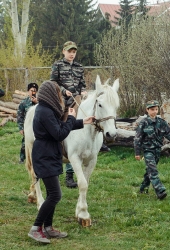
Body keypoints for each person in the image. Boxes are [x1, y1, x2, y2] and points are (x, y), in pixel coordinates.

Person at [28, 80, 94, 244]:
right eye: (57, 93)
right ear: (50, 94)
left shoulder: (48, 110)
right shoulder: (44, 112)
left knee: (52, 194)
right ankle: (36, 229)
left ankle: (48, 228)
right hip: (45, 156)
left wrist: (82, 122)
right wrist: (71, 117)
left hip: (51, 155)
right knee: (56, 195)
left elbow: (60, 126)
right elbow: (59, 133)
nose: (60, 96)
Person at [50, 41, 109, 188]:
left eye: (74, 52)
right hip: (62, 99)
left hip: (78, 99)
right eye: (69, 51)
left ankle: (97, 143)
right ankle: (53, 145)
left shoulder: (79, 67)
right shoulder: (57, 65)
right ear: (64, 51)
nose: (72, 54)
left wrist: (83, 91)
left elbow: (82, 83)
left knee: (92, 115)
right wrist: (64, 91)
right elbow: (53, 82)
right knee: (57, 119)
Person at [134, 100, 170, 200]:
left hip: (158, 150)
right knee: (153, 171)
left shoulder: (161, 122)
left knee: (149, 171)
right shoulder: (143, 123)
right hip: (148, 150)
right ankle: (160, 191)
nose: (155, 111)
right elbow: (137, 138)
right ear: (147, 110)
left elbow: (169, 133)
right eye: (152, 109)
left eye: (156, 109)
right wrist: (137, 152)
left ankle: (143, 188)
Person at [17, 83, 38, 164]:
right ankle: (22, 158)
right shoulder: (24, 102)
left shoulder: (39, 101)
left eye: (35, 91)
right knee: (24, 144)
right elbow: (20, 116)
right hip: (27, 127)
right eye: (31, 91)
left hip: (37, 126)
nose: (33, 92)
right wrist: (21, 128)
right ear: (28, 91)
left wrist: (36, 103)